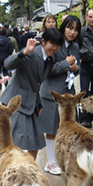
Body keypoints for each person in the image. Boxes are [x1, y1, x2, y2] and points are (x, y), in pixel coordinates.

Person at [1, 27, 64, 160]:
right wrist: (24, 52)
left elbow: (37, 84)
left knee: (35, 143)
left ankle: (29, 170)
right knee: (14, 142)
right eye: (52, 43)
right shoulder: (31, 53)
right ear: (43, 41)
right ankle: (11, 169)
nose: (54, 47)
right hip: (17, 103)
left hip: (32, 103)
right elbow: (7, 64)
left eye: (57, 45)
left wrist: (38, 103)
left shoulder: (50, 59)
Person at [39, 15, 81, 175]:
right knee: (52, 128)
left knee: (67, 127)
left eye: (76, 29)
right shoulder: (53, 43)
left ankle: (62, 159)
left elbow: (76, 68)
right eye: (70, 27)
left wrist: (76, 68)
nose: (73, 32)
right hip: (52, 93)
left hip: (68, 94)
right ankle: (50, 161)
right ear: (63, 26)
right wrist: (66, 64)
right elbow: (47, 69)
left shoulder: (75, 47)